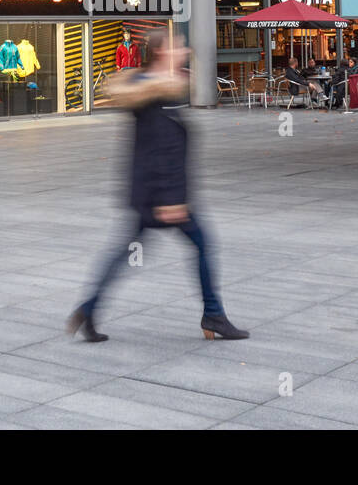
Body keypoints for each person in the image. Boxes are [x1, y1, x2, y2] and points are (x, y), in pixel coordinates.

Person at [68, 30, 247, 342]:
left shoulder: (155, 89)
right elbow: (159, 150)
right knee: (202, 244)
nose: (184, 49)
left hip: (149, 193)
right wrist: (171, 199)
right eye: (178, 46)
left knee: (126, 251)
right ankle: (214, 315)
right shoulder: (156, 94)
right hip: (161, 195)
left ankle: (89, 309)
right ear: (163, 53)